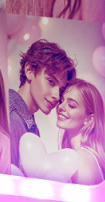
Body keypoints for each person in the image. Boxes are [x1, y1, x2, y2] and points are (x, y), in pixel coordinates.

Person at [8, 39, 76, 169]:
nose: (57, 96)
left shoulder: (28, 123)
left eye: (61, 89)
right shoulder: (12, 119)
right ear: (29, 71)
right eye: (51, 81)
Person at [56, 78, 105, 185]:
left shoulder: (81, 160)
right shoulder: (83, 156)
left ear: (89, 119)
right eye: (62, 101)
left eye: (71, 105)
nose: (61, 107)